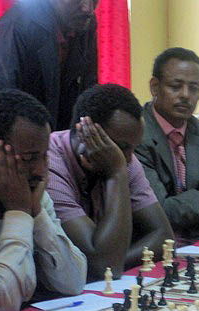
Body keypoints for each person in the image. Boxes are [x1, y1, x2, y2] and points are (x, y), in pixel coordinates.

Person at [0, 89, 87, 311]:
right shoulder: (20, 198)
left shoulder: (32, 189)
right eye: (28, 159)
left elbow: (73, 281)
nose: (40, 170)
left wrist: (35, 213)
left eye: (45, 156)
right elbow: (4, 301)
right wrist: (18, 212)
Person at [46, 84, 174, 280]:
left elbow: (164, 237)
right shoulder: (49, 161)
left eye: (133, 148)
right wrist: (116, 174)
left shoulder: (124, 159)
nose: (129, 158)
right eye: (121, 147)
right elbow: (104, 264)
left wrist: (115, 260)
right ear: (85, 133)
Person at [135, 47, 199, 243]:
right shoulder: (137, 132)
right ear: (155, 87)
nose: (185, 95)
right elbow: (158, 215)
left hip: (193, 246)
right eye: (176, 86)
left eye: (194, 88)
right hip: (148, 249)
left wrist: (180, 219)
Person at [0, 0, 98, 131]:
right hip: (18, 144)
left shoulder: (84, 23)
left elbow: (88, 95)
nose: (88, 9)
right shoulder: (16, 28)